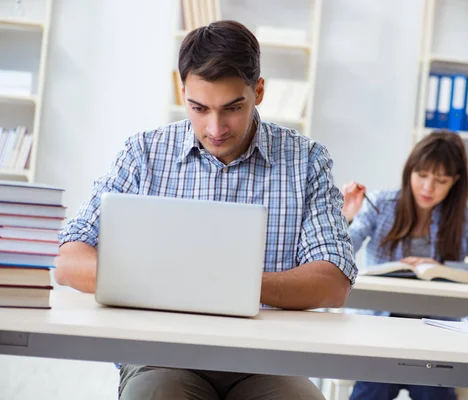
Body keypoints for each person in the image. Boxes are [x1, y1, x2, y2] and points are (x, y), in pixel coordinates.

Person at [55, 20, 357, 400]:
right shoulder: (144, 154)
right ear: (181, 91)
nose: (215, 128)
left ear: (259, 91)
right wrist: (164, 281)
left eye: (232, 108)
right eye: (199, 108)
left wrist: (230, 285)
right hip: (160, 356)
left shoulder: (306, 160)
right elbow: (70, 259)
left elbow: (333, 281)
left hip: (266, 361)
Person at [341, 131, 468, 400]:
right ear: (410, 171)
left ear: (455, 182)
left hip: (435, 336)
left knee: (433, 389)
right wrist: (347, 219)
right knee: (372, 388)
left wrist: (444, 267)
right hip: (381, 333)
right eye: (422, 176)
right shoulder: (380, 204)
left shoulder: (464, 219)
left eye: (441, 181)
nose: (428, 188)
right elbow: (338, 254)